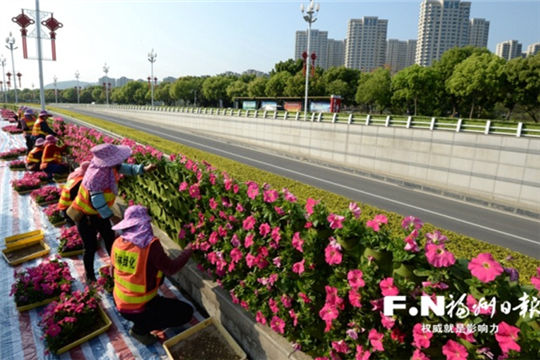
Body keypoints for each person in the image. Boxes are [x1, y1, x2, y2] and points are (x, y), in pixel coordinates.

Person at [70, 143, 156, 283]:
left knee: (111, 241)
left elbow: (125, 168)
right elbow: (96, 200)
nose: (119, 161)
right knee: (90, 247)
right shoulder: (97, 175)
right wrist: (112, 217)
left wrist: (144, 169)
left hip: (99, 215)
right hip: (86, 217)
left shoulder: (109, 167)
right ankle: (90, 276)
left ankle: (117, 271)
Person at [111, 205, 193, 345]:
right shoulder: (150, 245)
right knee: (186, 313)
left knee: (167, 306)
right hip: (139, 307)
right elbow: (171, 268)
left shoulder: (118, 241)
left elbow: (112, 271)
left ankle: (145, 318)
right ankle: (140, 330)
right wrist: (189, 250)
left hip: (120, 301)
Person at [57, 161, 90, 225]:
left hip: (63, 207)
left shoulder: (75, 177)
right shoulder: (80, 182)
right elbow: (80, 200)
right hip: (69, 210)